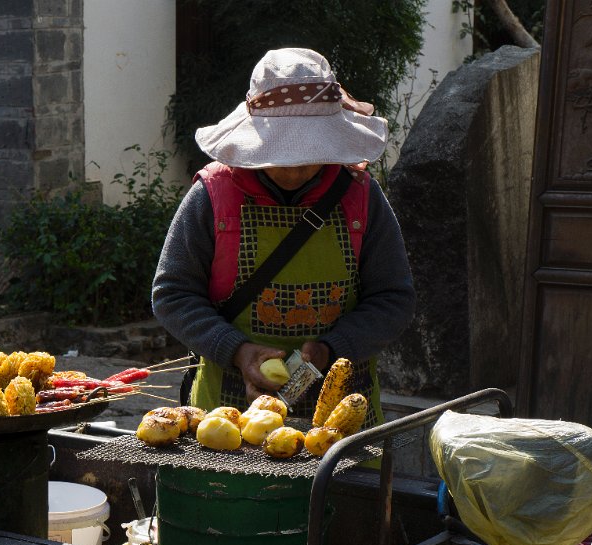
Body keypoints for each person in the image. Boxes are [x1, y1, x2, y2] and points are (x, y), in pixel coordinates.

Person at [152, 48, 416, 426]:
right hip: (226, 416)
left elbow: (394, 298)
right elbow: (172, 294)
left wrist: (331, 349)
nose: (294, 170)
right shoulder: (212, 196)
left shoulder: (361, 197)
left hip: (341, 420)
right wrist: (238, 352)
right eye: (282, 154)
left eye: (308, 152)